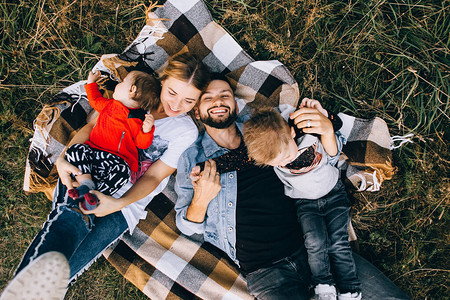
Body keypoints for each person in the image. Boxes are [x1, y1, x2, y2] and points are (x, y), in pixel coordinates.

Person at [174, 75, 411, 300]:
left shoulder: (269, 126)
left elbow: (321, 160)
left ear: (235, 105)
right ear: (196, 110)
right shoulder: (192, 158)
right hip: (268, 274)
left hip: (317, 244)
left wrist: (327, 128)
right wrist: (201, 199)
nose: (217, 101)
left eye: (224, 95)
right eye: (208, 98)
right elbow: (186, 227)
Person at [0, 53, 210, 300]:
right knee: (70, 219)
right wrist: (63, 159)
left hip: (124, 204)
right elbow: (91, 128)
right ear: (163, 81)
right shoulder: (134, 95)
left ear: (197, 102)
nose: (176, 105)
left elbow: (154, 176)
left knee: (65, 269)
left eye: (188, 100)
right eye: (172, 92)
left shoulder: (184, 130)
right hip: (85, 170)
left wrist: (118, 203)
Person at [243, 103, 361, 300]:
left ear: (291, 133)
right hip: (305, 204)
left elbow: (333, 137)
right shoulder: (268, 152)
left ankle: (350, 287)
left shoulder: (304, 130)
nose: (284, 163)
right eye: (277, 163)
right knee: (314, 243)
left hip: (333, 193)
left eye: (287, 156)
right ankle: (323, 285)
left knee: (338, 241)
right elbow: (237, 159)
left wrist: (323, 114)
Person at [65, 70, 159, 210]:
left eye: (122, 82)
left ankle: (94, 198)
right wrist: (91, 83)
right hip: (93, 151)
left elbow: (142, 143)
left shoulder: (138, 119)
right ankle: (86, 184)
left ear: (132, 90)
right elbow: (95, 100)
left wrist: (147, 130)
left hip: (116, 160)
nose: (118, 84)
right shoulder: (109, 105)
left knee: (123, 172)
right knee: (75, 149)